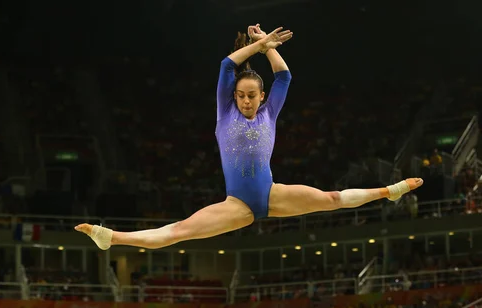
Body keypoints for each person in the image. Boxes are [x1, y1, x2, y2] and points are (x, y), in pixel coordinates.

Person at [75, 24, 423, 250]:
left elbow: (284, 77)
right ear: (234, 96)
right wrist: (260, 45)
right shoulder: (224, 113)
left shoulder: (270, 111)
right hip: (238, 205)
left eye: (251, 96)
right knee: (180, 231)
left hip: (272, 195)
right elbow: (227, 65)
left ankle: (389, 192)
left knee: (332, 198)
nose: (245, 101)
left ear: (261, 96)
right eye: (240, 95)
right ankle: (111, 238)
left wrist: (265, 46)